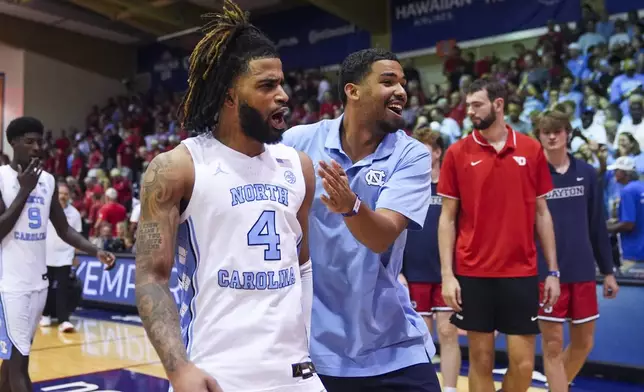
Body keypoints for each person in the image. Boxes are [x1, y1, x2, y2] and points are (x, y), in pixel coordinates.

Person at [134, 1, 323, 392]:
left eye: (282, 83)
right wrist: (178, 368)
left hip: (294, 374)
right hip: (216, 373)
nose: (284, 95)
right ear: (229, 96)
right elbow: (151, 277)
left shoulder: (299, 167)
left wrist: (303, 347)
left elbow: (302, 266)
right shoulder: (178, 167)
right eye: (267, 85)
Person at [282, 48, 441, 392]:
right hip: (315, 346)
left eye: (402, 82)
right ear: (352, 91)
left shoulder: (410, 154)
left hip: (392, 342)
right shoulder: (296, 143)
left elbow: (382, 236)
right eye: (388, 81)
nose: (401, 90)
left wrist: (351, 206)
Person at [437, 78, 560, 392]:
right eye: (469, 106)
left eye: (477, 105)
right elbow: (447, 219)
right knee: (480, 361)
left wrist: (553, 271)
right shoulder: (457, 153)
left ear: (499, 104)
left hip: (520, 271)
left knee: (523, 366)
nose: (471, 113)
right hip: (472, 272)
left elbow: (542, 213)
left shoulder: (531, 150)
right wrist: (447, 275)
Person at [0, 116, 115, 392]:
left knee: (11, 362)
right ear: (13, 142)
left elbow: (64, 229)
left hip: (38, 284)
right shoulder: (1, 178)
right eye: (29, 142)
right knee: (19, 364)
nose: (36, 147)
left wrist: (95, 250)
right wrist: (23, 191)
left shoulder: (48, 181)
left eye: (40, 142)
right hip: (10, 286)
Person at [534, 110, 619, 392]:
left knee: (584, 342)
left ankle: (556, 386)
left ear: (568, 133)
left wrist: (608, 271)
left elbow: (597, 225)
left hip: (582, 270)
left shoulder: (586, 172)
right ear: (540, 136)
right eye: (546, 131)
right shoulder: (532, 174)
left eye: (557, 130)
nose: (552, 136)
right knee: (553, 345)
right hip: (546, 274)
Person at [402, 128, 461, 392]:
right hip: (413, 270)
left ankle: (449, 388)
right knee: (420, 337)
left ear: (437, 152)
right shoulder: (408, 184)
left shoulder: (450, 185)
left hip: (444, 271)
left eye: (424, 147)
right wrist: (398, 270)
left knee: (448, 333)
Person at [40, 182, 83, 333]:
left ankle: (63, 319)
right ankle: (45, 315)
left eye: (66, 194)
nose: (63, 196)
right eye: (60, 193)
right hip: (45, 255)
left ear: (69, 196)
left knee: (63, 289)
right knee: (46, 287)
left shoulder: (75, 214)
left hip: (65, 256)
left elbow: (77, 237)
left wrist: (75, 255)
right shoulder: (46, 210)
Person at [607, 156, 644, 271]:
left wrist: (608, 228)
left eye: (616, 170)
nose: (613, 173)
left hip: (634, 252)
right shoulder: (641, 187)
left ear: (623, 173)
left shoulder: (627, 191)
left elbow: (629, 224)